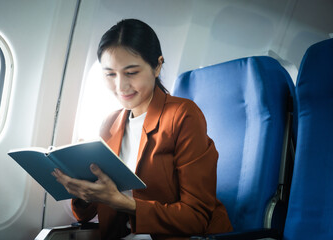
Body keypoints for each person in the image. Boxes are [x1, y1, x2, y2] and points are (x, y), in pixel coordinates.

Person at [52, 19, 232, 240]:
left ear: (157, 66)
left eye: (131, 72)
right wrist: (83, 190)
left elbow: (197, 217)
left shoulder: (183, 115)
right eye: (110, 74)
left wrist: (126, 204)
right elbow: (85, 214)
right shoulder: (110, 123)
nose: (120, 86)